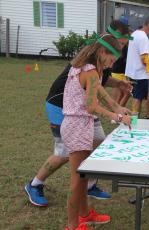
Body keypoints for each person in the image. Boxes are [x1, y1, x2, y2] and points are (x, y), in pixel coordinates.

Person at [24, 20, 132, 207]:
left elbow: (99, 83)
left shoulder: (105, 55)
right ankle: (35, 184)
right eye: (120, 43)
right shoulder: (93, 53)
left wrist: (118, 84)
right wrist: (115, 111)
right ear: (109, 41)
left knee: (98, 141)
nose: (120, 49)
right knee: (66, 152)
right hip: (62, 105)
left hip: (85, 108)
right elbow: (93, 84)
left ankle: (89, 185)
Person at [61, 33, 131, 230]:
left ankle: (84, 215)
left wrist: (117, 107)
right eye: (111, 59)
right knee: (76, 181)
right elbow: (91, 106)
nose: (111, 64)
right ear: (102, 52)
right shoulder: (90, 72)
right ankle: (72, 226)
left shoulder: (89, 68)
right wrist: (117, 117)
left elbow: (99, 91)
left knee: (83, 177)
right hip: (77, 127)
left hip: (79, 125)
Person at [125, 16, 149, 114]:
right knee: (138, 98)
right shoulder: (143, 38)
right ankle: (135, 120)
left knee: (136, 97)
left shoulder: (135, 33)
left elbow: (138, 56)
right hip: (139, 74)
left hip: (132, 72)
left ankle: (135, 119)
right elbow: (144, 60)